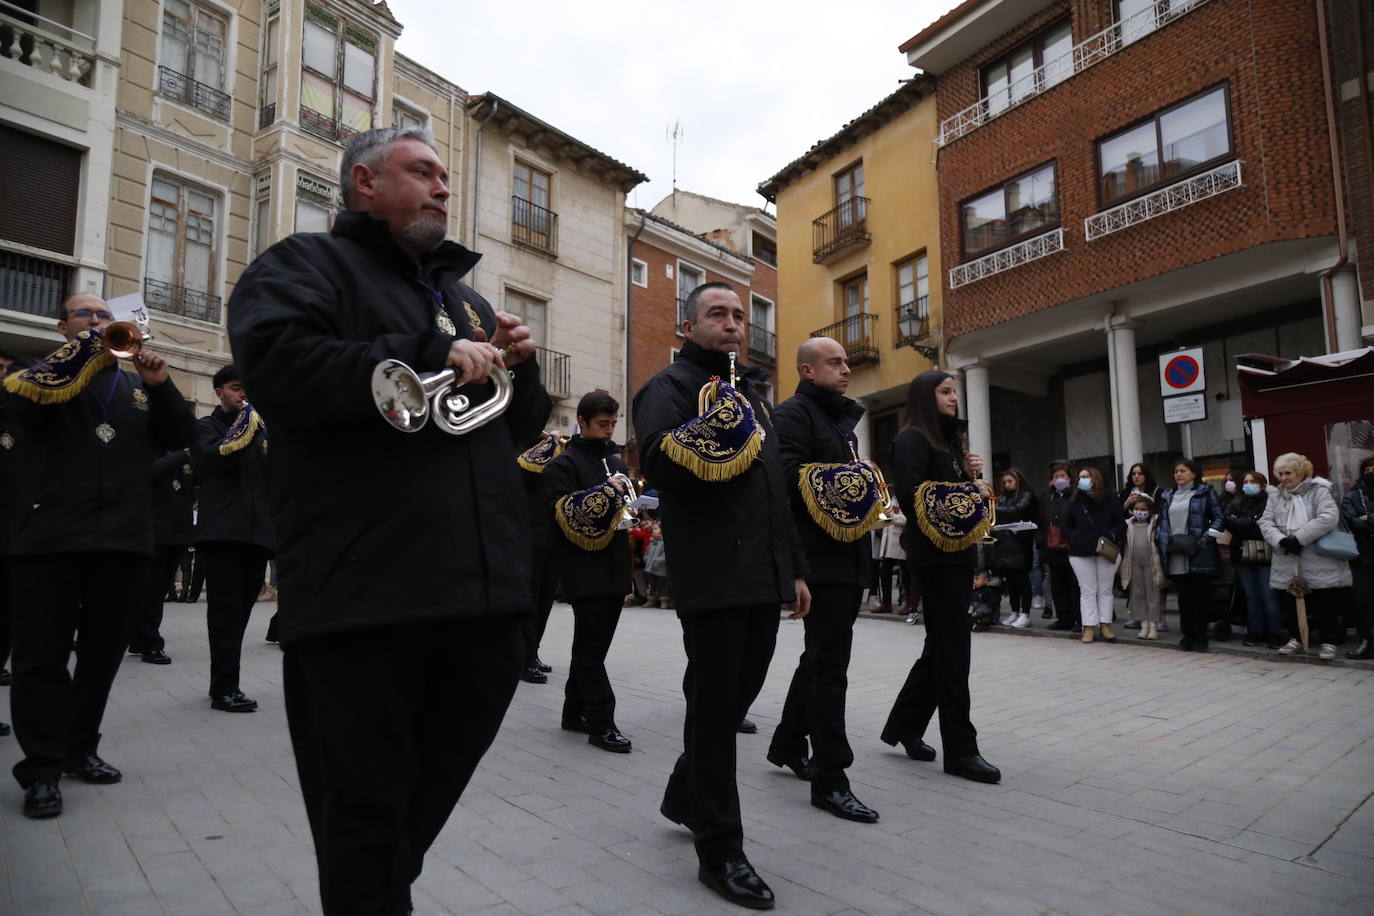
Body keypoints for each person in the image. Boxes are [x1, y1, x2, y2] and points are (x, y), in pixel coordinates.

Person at [227, 126, 551, 913]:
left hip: (485, 603)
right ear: (365, 183)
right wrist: (422, 353)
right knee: (364, 816)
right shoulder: (304, 265)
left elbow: (519, 427)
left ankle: (374, 891)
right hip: (365, 599)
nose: (443, 185)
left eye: (445, 174)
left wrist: (519, 361)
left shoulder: (466, 301)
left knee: (403, 818)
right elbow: (281, 366)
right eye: (423, 171)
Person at [634, 281, 809, 910]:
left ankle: (686, 792)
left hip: (762, 573)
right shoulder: (669, 389)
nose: (733, 324)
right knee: (714, 714)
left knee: (739, 694)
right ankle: (721, 850)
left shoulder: (755, 403)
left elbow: (775, 495)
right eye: (717, 314)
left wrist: (792, 570)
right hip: (711, 573)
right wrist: (718, 427)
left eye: (739, 315)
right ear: (689, 326)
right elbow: (656, 457)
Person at [4, 293, 196, 818]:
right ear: (62, 326)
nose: (97, 321)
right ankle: (40, 769)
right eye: (85, 315)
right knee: (41, 660)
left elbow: (182, 437)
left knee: (101, 657)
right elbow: (15, 412)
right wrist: (78, 359)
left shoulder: (136, 384)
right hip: (50, 540)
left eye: (105, 316)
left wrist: (162, 386)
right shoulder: (37, 378)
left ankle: (79, 748)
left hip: (124, 540)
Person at [768, 336, 879, 824]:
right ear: (808, 370)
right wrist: (858, 481)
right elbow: (788, 480)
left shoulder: (838, 419)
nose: (845, 369)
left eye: (846, 363)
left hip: (847, 556)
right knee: (830, 668)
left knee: (820, 659)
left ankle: (789, 743)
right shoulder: (793, 414)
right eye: (834, 363)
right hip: (820, 559)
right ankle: (831, 779)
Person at [879, 369, 1000, 785]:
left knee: (942, 647)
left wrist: (969, 476)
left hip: (958, 553)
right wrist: (971, 492)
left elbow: (954, 498)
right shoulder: (911, 439)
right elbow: (915, 500)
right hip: (934, 557)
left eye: (955, 392)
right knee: (953, 651)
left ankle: (904, 726)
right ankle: (961, 751)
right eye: (946, 392)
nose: (954, 398)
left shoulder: (947, 443)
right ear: (925, 397)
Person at [544, 392, 634, 753]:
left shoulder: (618, 463)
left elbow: (623, 515)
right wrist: (604, 493)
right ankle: (602, 722)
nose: (609, 430)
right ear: (581, 421)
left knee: (592, 644)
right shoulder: (563, 466)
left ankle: (572, 713)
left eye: (613, 424)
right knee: (591, 650)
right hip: (584, 568)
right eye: (602, 424)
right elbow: (559, 514)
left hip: (614, 564)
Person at [191, 366, 274, 712]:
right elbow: (219, 461)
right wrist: (247, 423)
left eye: (248, 390)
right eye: (237, 389)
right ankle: (224, 688)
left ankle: (227, 681)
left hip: (257, 535)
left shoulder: (260, 431)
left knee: (240, 614)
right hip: (223, 534)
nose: (243, 396)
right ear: (219, 392)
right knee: (224, 612)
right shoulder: (205, 427)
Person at [1259, 453, 1351, 660]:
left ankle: (1328, 642)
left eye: (1288, 473)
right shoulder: (1275, 496)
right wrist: (1282, 541)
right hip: (1287, 557)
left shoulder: (1319, 491)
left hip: (1318, 556)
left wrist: (1299, 538)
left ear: (1300, 473)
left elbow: (1328, 517)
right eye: (1280, 473)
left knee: (1324, 601)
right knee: (1291, 600)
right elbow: (1266, 522)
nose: (1283, 477)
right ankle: (1296, 638)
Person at [128, 448, 194, 664]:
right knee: (153, 590)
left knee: (159, 589)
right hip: (154, 534)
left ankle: (139, 638)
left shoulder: (185, 461)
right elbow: (151, 470)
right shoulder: (152, 448)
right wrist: (185, 454)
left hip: (178, 534)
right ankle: (149, 641)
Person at [1156, 458, 1224, 652]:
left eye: (1183, 471)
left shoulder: (1205, 492)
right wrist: (1163, 540)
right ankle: (1188, 636)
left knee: (1200, 597)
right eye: (1176, 471)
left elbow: (1219, 518)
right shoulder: (1168, 496)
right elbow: (1162, 522)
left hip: (1199, 552)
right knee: (1184, 598)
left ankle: (1201, 637)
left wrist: (1206, 538)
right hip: (1176, 552)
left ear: (1194, 474)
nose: (1179, 474)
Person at [515, 430, 564, 683]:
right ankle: (524, 657)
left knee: (544, 602)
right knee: (531, 602)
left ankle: (532, 652)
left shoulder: (555, 453)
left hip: (552, 539)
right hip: (530, 540)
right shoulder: (523, 449)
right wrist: (548, 444)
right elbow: (521, 472)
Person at [1064, 467, 1126, 644]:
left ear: (1095, 479)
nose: (1082, 480)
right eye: (1080, 477)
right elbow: (1066, 527)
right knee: (1088, 590)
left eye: (1086, 477)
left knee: (1105, 590)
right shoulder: (1074, 501)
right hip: (1080, 552)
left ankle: (1105, 625)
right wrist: (1077, 539)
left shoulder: (1110, 499)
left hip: (1106, 549)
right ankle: (1089, 627)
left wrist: (1110, 535)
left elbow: (1121, 524)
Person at [1223, 471, 1284, 649]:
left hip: (1265, 554)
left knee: (1269, 595)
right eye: (1246, 481)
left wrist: (1243, 522)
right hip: (1242, 555)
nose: (1248, 484)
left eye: (1252, 481)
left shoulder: (1270, 502)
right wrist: (1251, 521)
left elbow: (1265, 526)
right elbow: (1229, 523)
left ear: (1263, 485)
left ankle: (1275, 633)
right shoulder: (1236, 502)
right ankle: (1255, 632)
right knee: (1252, 595)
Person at [1037, 461, 1081, 632]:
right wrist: (1041, 541)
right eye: (1056, 477)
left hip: (1072, 547)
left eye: (1063, 476)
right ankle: (1064, 618)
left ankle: (1080, 619)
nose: (1060, 479)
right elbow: (1040, 519)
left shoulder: (1076, 496)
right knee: (1058, 585)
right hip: (1051, 547)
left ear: (1070, 478)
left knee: (1074, 585)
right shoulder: (1047, 496)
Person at [993, 468, 1035, 628]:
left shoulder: (1026, 495)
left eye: (1010, 481)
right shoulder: (1002, 498)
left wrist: (994, 509)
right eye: (1004, 482)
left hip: (1020, 544)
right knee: (1011, 581)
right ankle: (1014, 611)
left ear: (1018, 481)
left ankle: (1025, 613)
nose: (1006, 484)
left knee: (1022, 580)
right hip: (1004, 545)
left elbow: (1016, 512)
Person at [1342, 457, 1374, 659]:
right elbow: (1351, 521)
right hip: (1363, 555)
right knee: (1362, 599)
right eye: (1368, 469)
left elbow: (1362, 520)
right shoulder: (1352, 496)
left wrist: (1368, 518)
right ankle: (1367, 641)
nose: (1371, 472)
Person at [1121, 494, 1164, 639]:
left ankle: (1153, 626)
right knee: (1137, 594)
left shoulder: (1155, 524)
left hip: (1151, 563)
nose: (1140, 512)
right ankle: (1143, 625)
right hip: (1133, 563)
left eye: (1143, 509)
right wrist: (1127, 503)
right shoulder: (1128, 525)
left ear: (1150, 511)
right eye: (1137, 509)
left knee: (1153, 594)